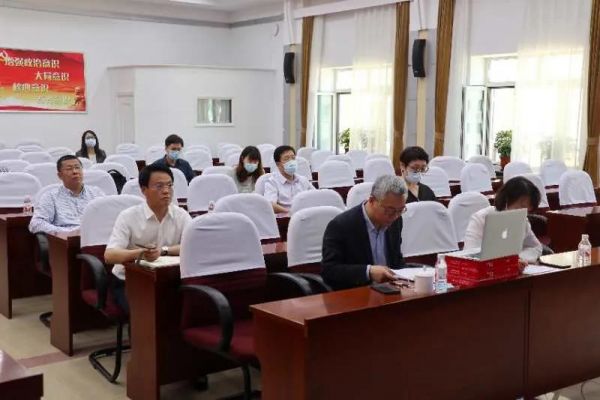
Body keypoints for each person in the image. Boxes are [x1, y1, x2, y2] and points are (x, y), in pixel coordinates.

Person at [104, 164, 192, 314]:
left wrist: (163, 251)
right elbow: (109, 256)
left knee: (186, 309)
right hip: (130, 281)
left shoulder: (181, 215)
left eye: (169, 185)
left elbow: (192, 247)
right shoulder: (128, 216)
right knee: (148, 312)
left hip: (168, 280)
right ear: (144, 190)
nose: (166, 191)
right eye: (159, 186)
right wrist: (140, 254)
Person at [322, 175, 408, 290]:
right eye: (389, 210)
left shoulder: (396, 221)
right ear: (372, 200)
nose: (395, 216)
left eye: (400, 210)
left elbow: (396, 260)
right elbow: (329, 270)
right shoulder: (341, 225)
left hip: (391, 290)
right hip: (357, 292)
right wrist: (368, 271)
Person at [463, 176, 542, 268]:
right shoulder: (480, 219)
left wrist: (520, 259)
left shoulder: (523, 220)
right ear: (507, 200)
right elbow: (471, 254)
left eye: (527, 210)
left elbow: (535, 247)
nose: (524, 213)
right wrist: (505, 262)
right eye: (521, 207)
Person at [29, 155, 105, 234]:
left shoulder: (97, 193)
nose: (75, 172)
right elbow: (36, 224)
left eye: (77, 167)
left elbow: (108, 216)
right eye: (69, 169)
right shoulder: (50, 197)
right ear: (60, 175)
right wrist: (68, 232)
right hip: (67, 239)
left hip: (96, 236)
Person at [263, 145, 314, 213]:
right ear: (278, 164)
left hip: (305, 215)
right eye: (286, 159)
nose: (291, 162)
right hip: (285, 216)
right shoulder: (272, 182)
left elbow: (316, 196)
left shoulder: (303, 180)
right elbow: (271, 204)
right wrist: (290, 212)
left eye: (293, 158)